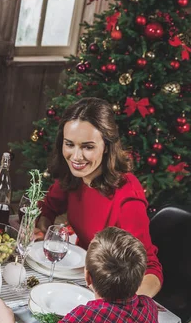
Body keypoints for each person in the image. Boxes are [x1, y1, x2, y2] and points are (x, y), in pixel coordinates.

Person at [35, 97, 162, 297]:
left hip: (110, 293)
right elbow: (47, 208)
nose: (76, 157)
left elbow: (150, 269)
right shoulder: (75, 176)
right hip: (81, 278)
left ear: (107, 147)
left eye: (88, 147)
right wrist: (42, 229)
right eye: (70, 144)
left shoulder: (128, 195)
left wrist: (114, 303)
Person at [0, 227, 161, 323]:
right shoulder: (149, 307)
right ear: (139, 281)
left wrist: (6, 321)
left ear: (87, 277)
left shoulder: (89, 318)